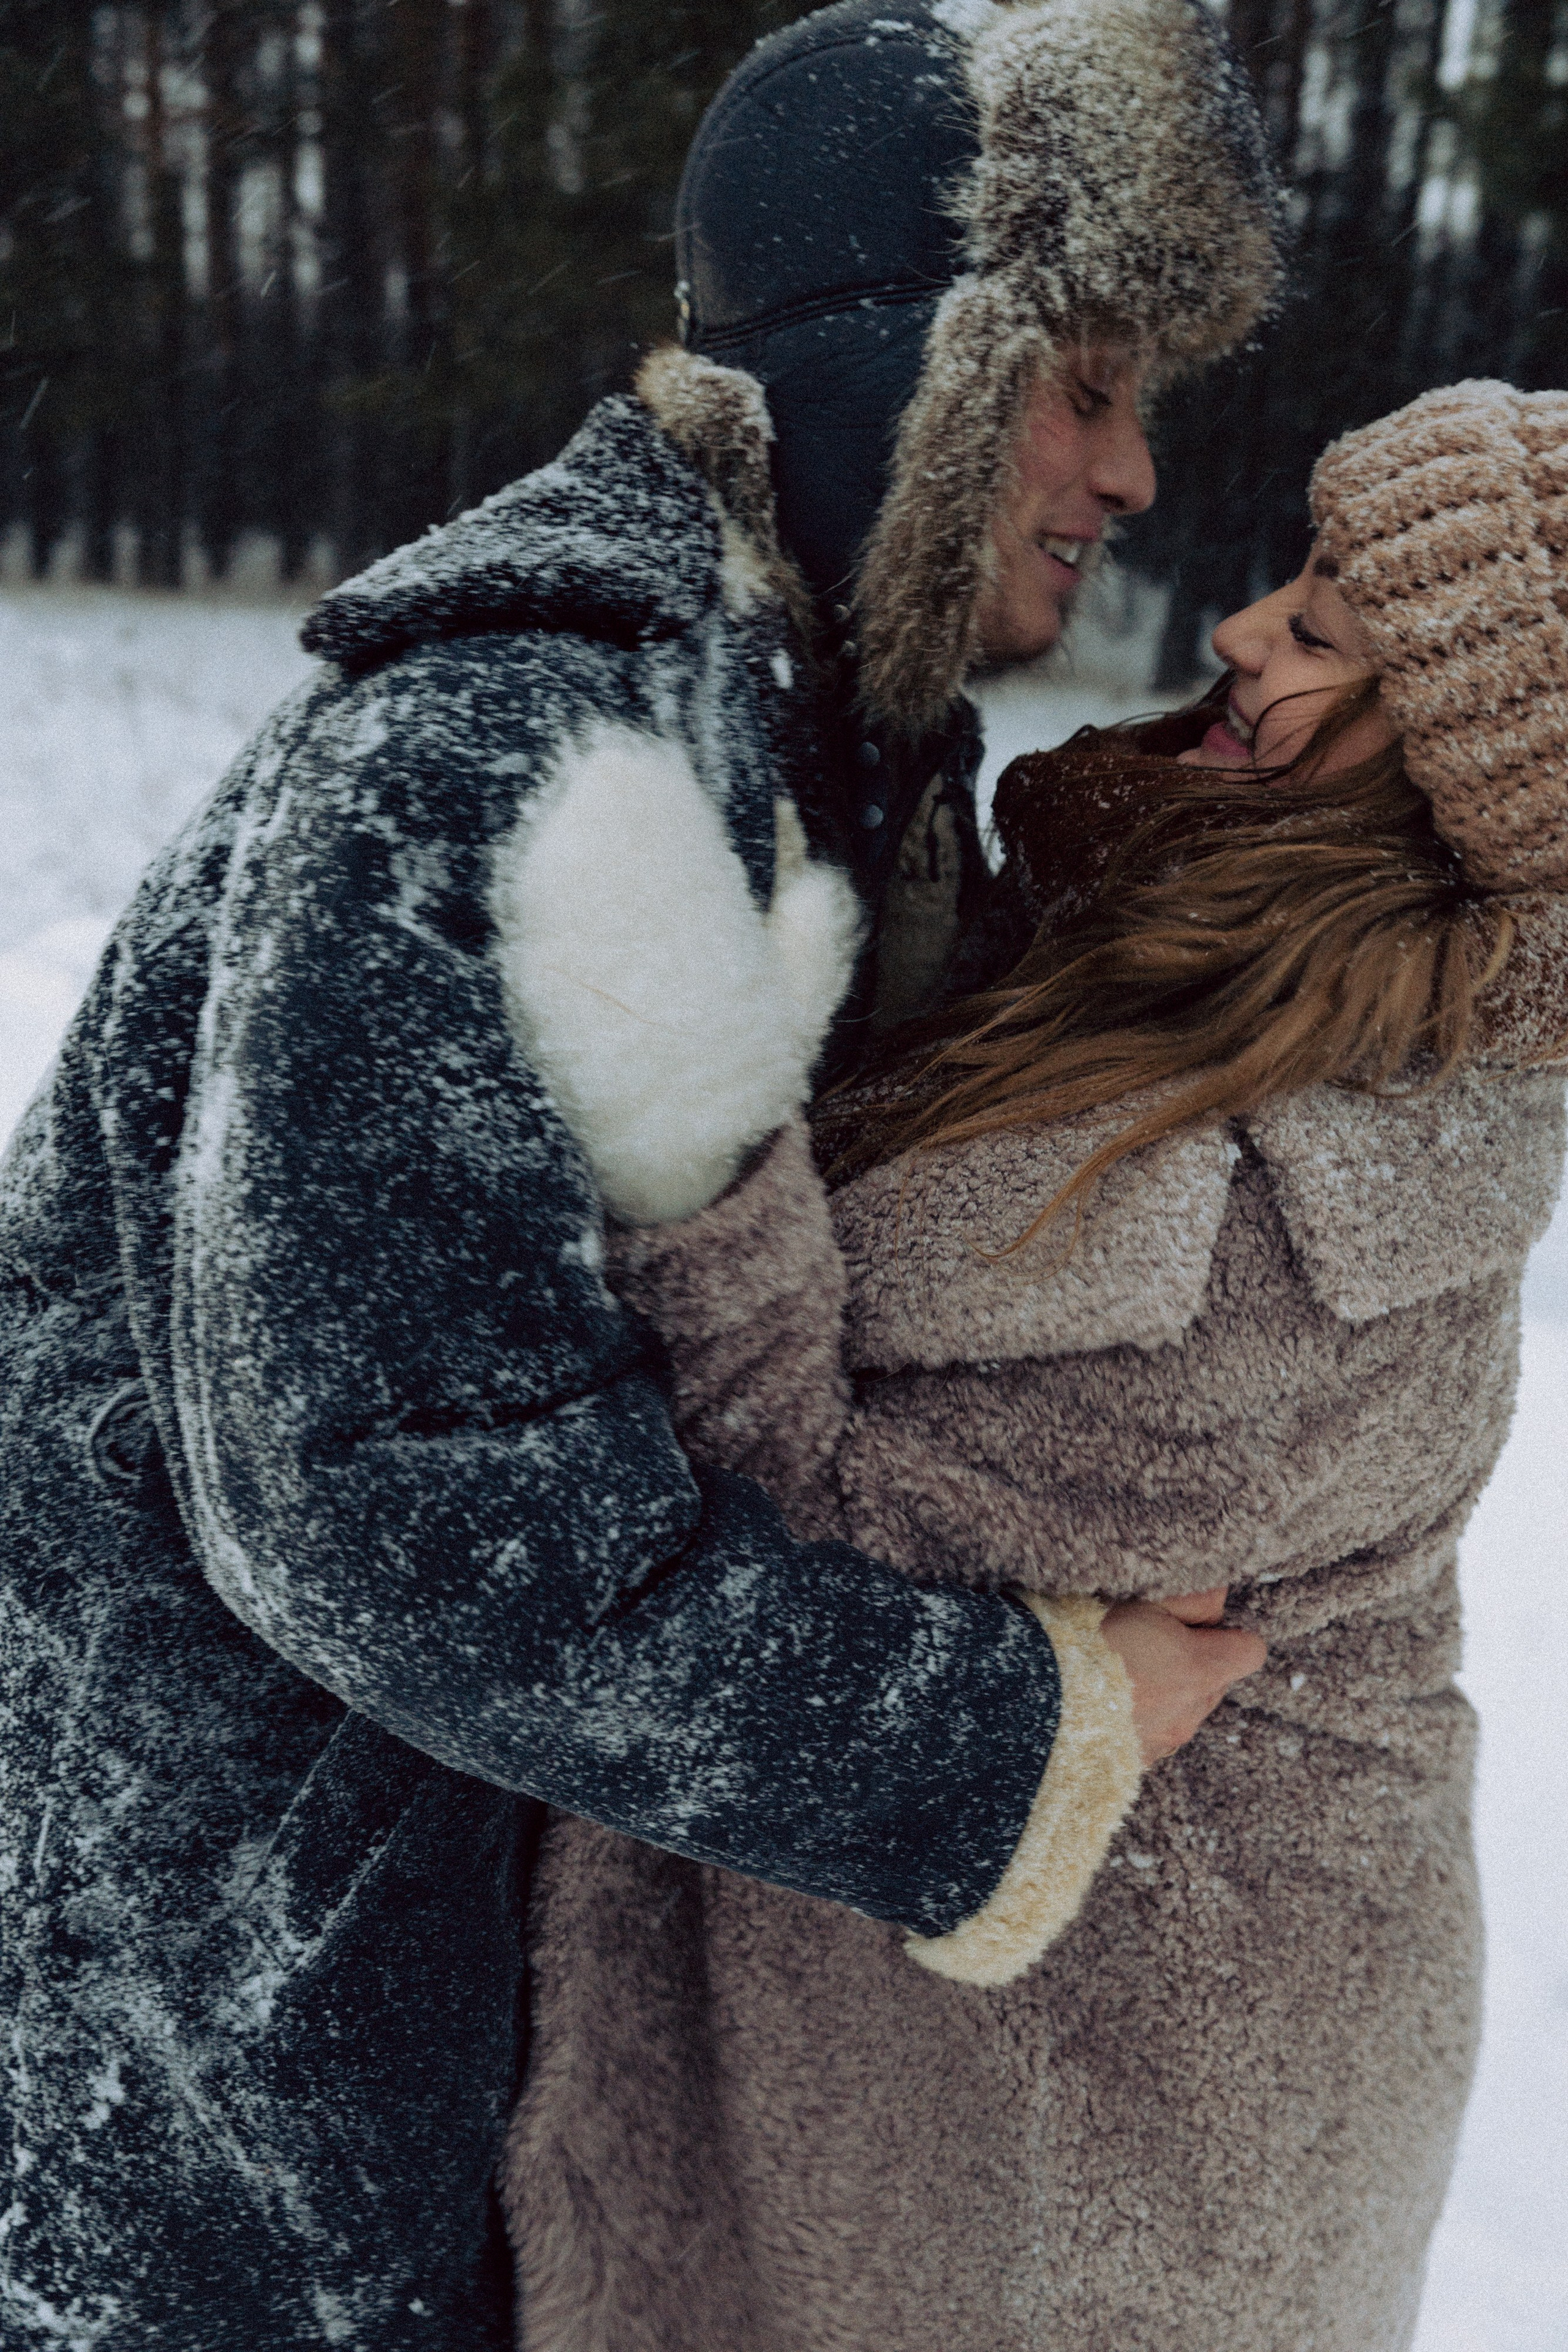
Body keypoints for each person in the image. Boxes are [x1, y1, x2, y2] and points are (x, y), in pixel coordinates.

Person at [0, 4, 1282, 2344]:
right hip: (252, 2081)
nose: (1126, 479)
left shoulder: (781, 725)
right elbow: (397, 1517)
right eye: (1084, 391)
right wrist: (1009, 1738)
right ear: (914, 364)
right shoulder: (500, 750)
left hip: (458, 2012)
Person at [502, 380, 1568, 2351]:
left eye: (1325, 632)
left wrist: (689, 1119)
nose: (1242, 632)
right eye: (1290, 588)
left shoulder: (1303, 1243)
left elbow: (800, 1523)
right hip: (1011, 2040)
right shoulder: (1212, 972)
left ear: (1455, 786)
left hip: (1119, 2135)